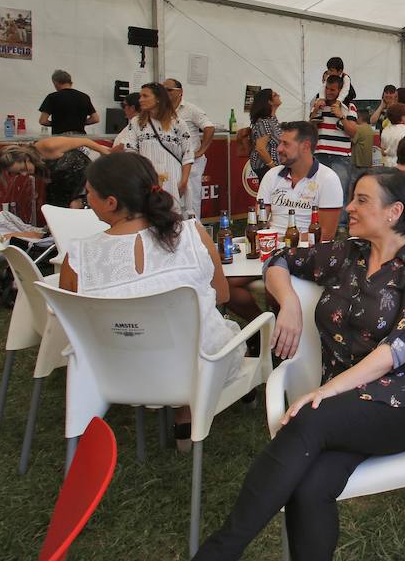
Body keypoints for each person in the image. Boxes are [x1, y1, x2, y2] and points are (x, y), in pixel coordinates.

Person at [195, 168, 405, 561]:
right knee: (310, 487)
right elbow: (278, 260)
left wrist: (325, 391)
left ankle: (219, 552)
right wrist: (290, 304)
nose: (349, 207)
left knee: (309, 418)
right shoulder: (347, 253)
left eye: (362, 200)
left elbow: (398, 348)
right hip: (347, 401)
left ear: (393, 211)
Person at [58, 152, 243, 451]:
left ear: (111, 203)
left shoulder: (79, 256)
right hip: (196, 368)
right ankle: (186, 411)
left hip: (116, 371)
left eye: (88, 194)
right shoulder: (193, 235)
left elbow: (75, 320)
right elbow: (222, 296)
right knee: (200, 333)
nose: (86, 200)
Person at [228, 121, 343, 322]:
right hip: (268, 249)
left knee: (276, 288)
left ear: (305, 146)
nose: (279, 149)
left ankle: (276, 335)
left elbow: (326, 234)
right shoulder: (273, 175)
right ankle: (263, 329)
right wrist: (270, 242)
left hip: (304, 254)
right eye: (279, 143)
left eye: (285, 144)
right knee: (222, 284)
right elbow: (260, 220)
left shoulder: (328, 179)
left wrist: (283, 243)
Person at [116, 82, 194, 212]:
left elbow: (188, 154)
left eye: (145, 96)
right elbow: (131, 150)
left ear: (158, 98)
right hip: (147, 178)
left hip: (174, 178)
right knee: (149, 215)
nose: (140, 99)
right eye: (140, 96)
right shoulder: (136, 122)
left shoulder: (178, 123)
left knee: (173, 216)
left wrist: (183, 182)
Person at [163, 78, 215, 218]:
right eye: (163, 90)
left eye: (169, 90)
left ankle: (194, 232)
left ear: (180, 92)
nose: (165, 93)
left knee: (191, 199)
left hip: (191, 161)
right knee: (172, 199)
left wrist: (201, 150)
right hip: (171, 161)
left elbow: (209, 128)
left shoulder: (191, 109)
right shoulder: (162, 111)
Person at [311, 75, 359, 216]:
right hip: (319, 154)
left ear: (340, 90)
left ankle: (341, 225)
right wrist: (315, 112)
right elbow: (310, 127)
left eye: (333, 89)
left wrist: (341, 116)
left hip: (341, 157)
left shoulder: (349, 107)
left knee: (340, 191)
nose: (329, 92)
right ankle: (317, 221)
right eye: (327, 88)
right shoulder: (318, 103)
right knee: (317, 190)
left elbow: (352, 132)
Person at [38, 69, 99, 135]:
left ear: (55, 82)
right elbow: (95, 119)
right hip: (80, 139)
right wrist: (78, 124)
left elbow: (43, 121)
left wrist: (58, 124)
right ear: (70, 82)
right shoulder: (85, 97)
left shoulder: (52, 97)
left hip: (60, 138)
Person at [248, 88, 282, 183]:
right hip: (265, 167)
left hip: (272, 166)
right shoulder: (264, 122)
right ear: (269, 102)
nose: (279, 95)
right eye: (275, 95)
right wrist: (273, 168)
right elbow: (261, 148)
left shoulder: (272, 119)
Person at [351, 109, 374, 174]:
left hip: (358, 161)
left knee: (355, 180)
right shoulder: (370, 128)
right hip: (368, 161)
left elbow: (352, 141)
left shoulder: (358, 128)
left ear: (359, 118)